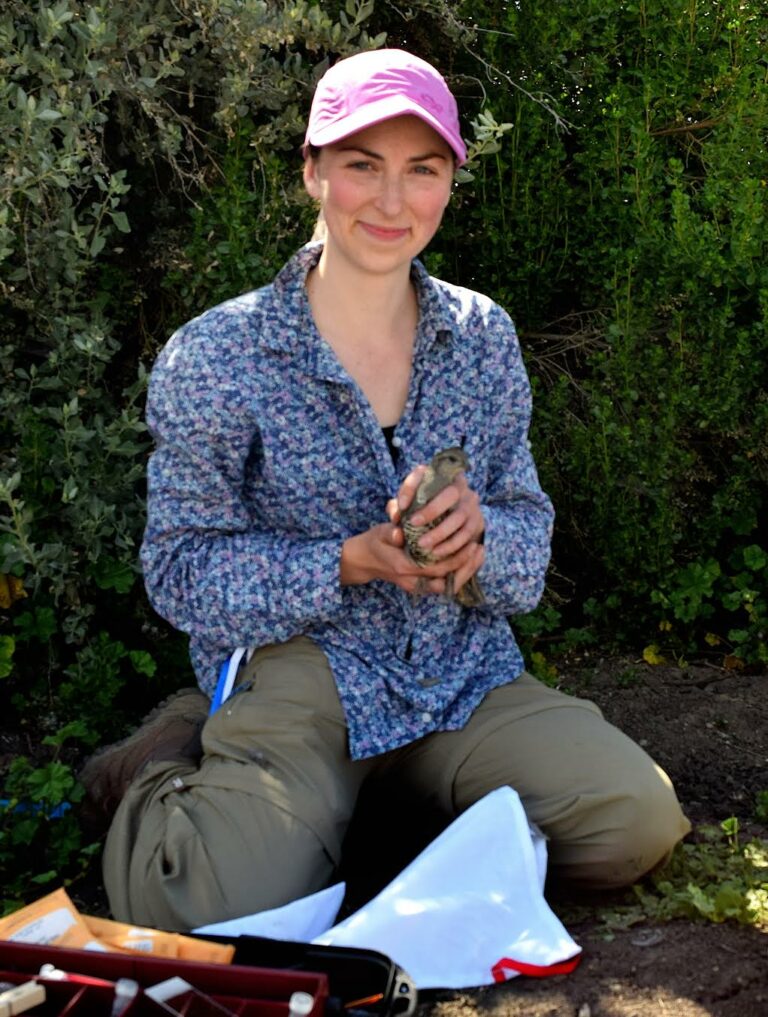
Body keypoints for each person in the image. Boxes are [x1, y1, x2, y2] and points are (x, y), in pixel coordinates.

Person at [81, 48, 690, 931]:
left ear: (451, 180)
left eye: (423, 170)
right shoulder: (219, 355)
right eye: (363, 166)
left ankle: (379, 808)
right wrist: (344, 563)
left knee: (634, 822)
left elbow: (526, 529)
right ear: (312, 172)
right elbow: (180, 568)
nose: (393, 202)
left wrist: (481, 537)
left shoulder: (482, 336)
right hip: (302, 672)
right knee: (207, 902)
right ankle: (159, 770)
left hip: (459, 673)